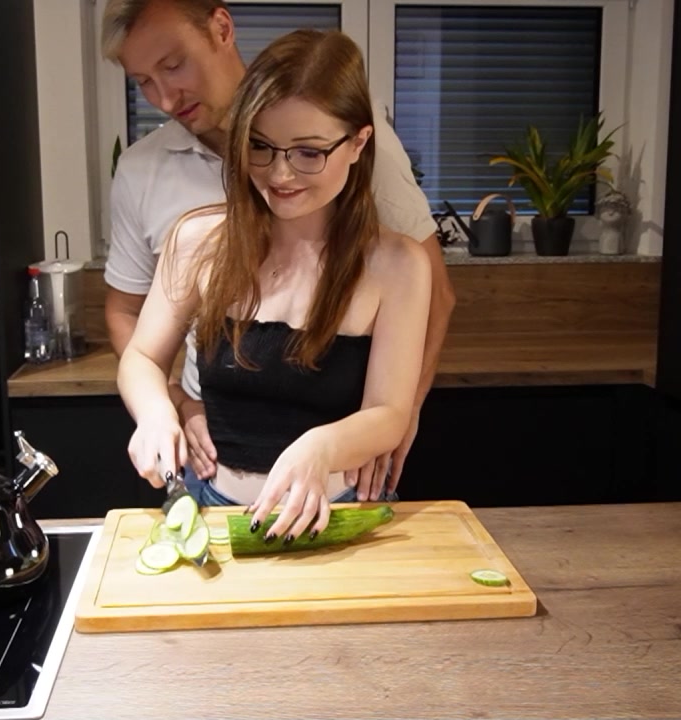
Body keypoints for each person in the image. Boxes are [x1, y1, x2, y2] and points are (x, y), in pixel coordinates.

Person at [100, 0, 456, 502]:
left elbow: (389, 410)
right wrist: (160, 410)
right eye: (260, 147)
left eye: (309, 152)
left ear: (357, 145)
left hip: (342, 509)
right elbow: (140, 354)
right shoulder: (197, 240)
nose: (280, 174)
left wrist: (325, 447)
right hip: (210, 502)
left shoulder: (397, 265)